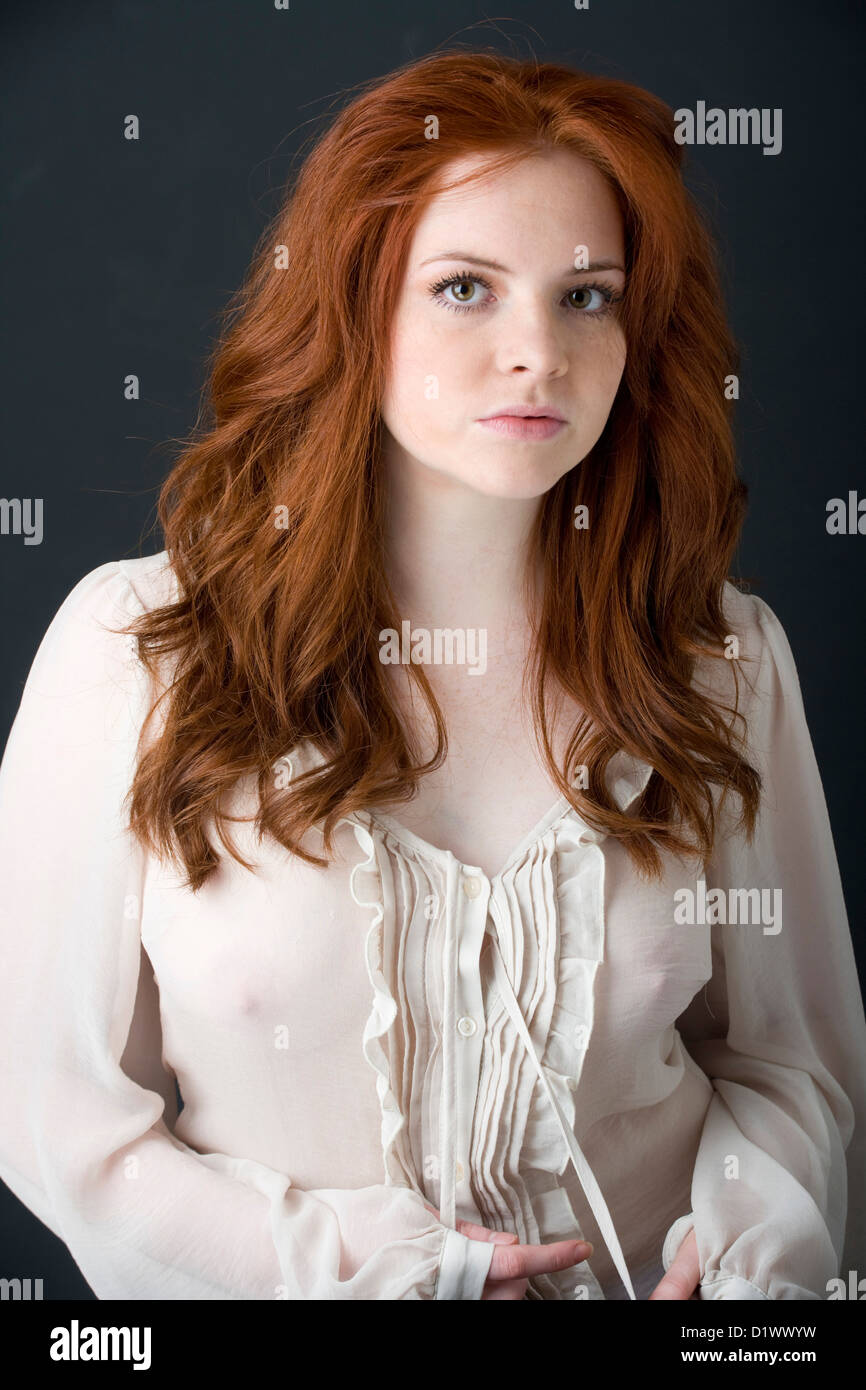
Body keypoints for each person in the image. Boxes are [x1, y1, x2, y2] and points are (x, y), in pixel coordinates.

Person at [1, 50, 864, 1302]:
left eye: (586, 297)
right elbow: (51, 1112)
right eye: (465, 287)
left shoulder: (719, 661)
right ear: (354, 308)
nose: (537, 353)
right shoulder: (134, 652)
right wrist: (366, 1275)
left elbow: (793, 1067)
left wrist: (740, 1273)